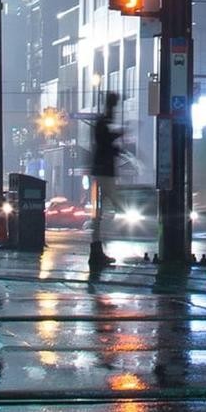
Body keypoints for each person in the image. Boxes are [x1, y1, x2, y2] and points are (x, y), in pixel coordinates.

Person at [88, 91, 123, 279]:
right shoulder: (104, 122)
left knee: (103, 211)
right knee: (113, 208)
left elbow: (103, 142)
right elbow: (105, 142)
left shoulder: (103, 121)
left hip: (102, 170)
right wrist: (116, 139)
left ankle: (98, 247)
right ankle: (98, 246)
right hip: (104, 171)